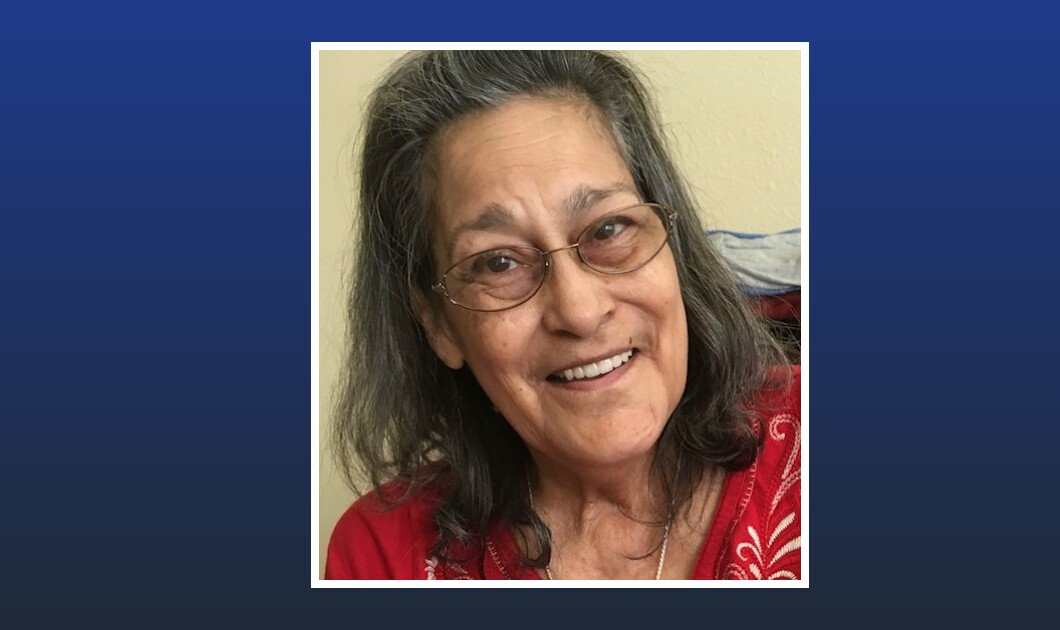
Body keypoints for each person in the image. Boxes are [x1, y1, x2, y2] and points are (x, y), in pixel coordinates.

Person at [326, 50, 800, 580]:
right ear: (437, 322)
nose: (580, 311)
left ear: (673, 245)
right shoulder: (383, 558)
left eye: (608, 230)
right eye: (499, 262)